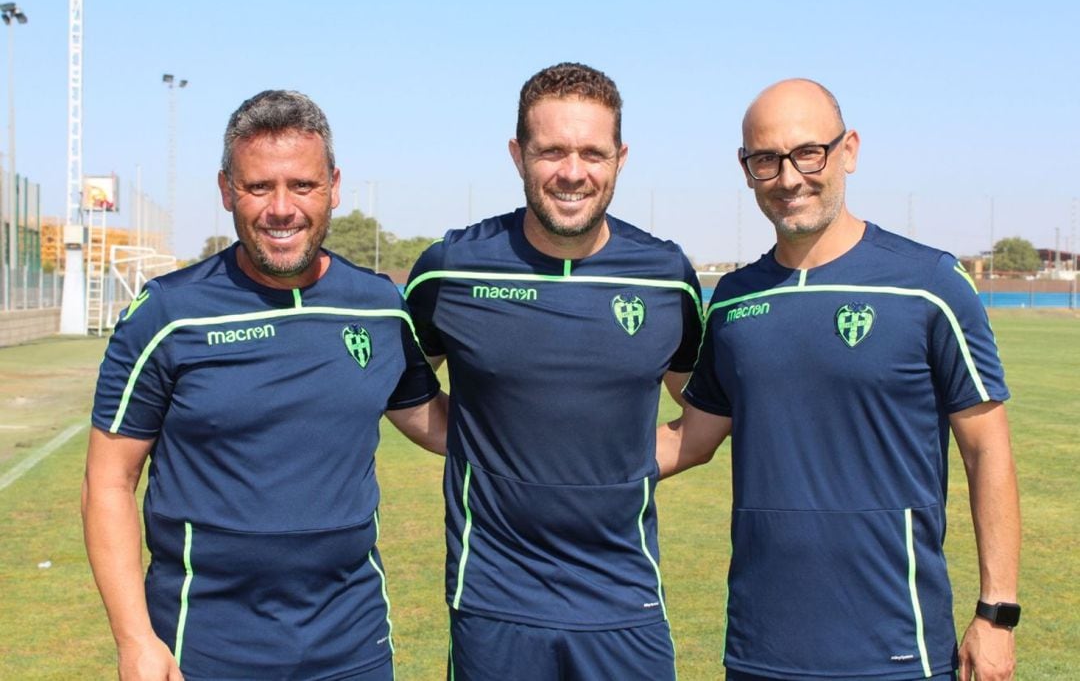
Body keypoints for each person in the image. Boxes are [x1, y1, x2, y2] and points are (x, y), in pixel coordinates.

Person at [658, 78, 1020, 681]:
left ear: (847, 150)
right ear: (746, 169)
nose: (790, 177)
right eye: (766, 160)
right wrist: (560, 459)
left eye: (808, 152)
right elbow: (692, 438)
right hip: (760, 649)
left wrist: (997, 613)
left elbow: (988, 448)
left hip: (896, 648)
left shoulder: (929, 284)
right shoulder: (732, 299)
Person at [82, 89, 448, 680]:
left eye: (302, 186)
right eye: (258, 187)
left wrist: (554, 405)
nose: (282, 209)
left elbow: (431, 420)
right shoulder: (169, 314)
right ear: (227, 190)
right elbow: (108, 479)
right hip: (205, 643)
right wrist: (134, 641)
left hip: (352, 645)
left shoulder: (378, 306)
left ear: (332, 185)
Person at [404, 62, 703, 680]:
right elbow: (403, 389)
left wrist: (627, 465)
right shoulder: (451, 270)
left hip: (626, 597)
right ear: (517, 154)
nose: (573, 172)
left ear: (621, 157)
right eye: (551, 151)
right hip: (492, 599)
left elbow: (700, 411)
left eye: (592, 152)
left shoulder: (666, 275)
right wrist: (482, 452)